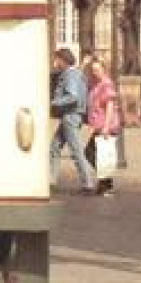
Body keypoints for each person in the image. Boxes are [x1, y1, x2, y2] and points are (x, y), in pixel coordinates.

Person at [49, 48, 95, 193]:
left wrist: (53, 103)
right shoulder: (75, 73)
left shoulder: (70, 75)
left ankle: (87, 183)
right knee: (54, 147)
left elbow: (72, 96)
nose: (55, 62)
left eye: (57, 59)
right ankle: (51, 179)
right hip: (70, 116)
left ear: (63, 60)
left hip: (70, 116)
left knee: (76, 150)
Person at [83, 56, 122, 195]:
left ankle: (106, 182)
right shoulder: (95, 84)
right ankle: (105, 183)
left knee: (92, 153)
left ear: (104, 70)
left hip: (107, 126)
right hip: (99, 126)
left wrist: (106, 126)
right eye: (93, 70)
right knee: (95, 154)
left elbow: (110, 105)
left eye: (97, 70)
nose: (95, 72)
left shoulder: (106, 84)